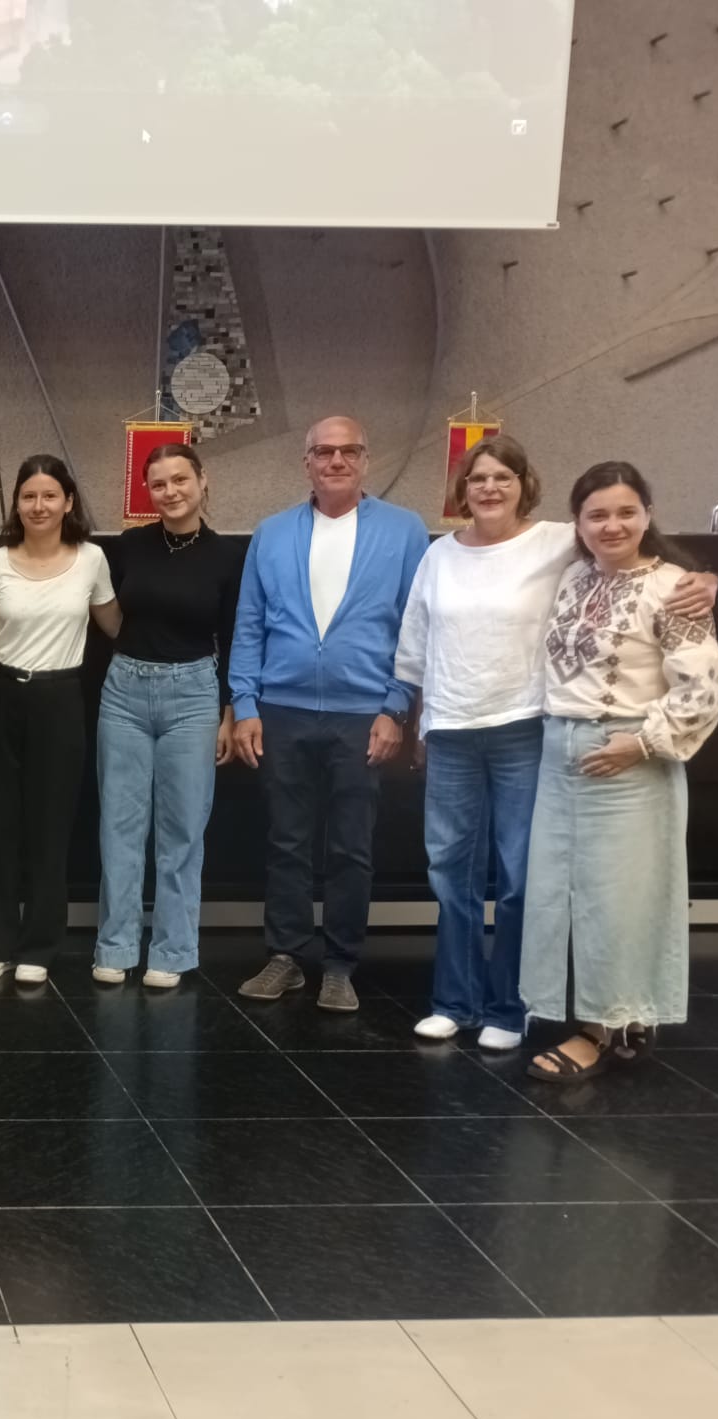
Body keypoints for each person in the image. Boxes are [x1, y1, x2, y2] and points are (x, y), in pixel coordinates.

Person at [396, 438, 718, 1050]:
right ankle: (454, 1002)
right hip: (455, 729)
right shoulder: (442, 555)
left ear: (525, 485)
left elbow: (642, 557)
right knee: (450, 872)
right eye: (478, 478)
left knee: (523, 877)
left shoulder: (555, 543)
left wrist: (707, 579)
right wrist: (420, 724)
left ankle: (508, 1008)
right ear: (462, 489)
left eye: (503, 476)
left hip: (525, 729)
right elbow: (418, 645)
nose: (490, 488)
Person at [521, 462, 718, 1082]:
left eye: (626, 512)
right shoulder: (573, 575)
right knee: (561, 893)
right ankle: (619, 1012)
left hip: (626, 753)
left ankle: (600, 1030)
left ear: (648, 515)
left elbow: (703, 689)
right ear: (577, 523)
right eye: (598, 515)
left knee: (620, 898)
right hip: (559, 749)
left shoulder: (673, 589)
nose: (612, 526)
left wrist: (641, 743)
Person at [228, 416, 428, 1013]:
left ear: (365, 460)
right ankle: (286, 957)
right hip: (282, 710)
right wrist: (245, 704)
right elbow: (249, 624)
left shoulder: (404, 531)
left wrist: (396, 708)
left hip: (363, 713)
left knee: (350, 846)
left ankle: (340, 964)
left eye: (349, 451)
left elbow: (415, 627)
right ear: (307, 462)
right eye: (324, 452)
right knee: (286, 841)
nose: (336, 461)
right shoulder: (272, 533)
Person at [0, 455, 118, 983]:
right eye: (29, 496)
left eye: (50, 496)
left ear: (68, 502)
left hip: (61, 699)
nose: (39, 506)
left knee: (51, 826)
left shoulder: (91, 559)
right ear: (16, 504)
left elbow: (115, 625)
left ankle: (39, 947)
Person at [93, 443, 242, 988]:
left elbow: (235, 636)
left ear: (202, 481)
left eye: (180, 480)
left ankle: (173, 951)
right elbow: (109, 614)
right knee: (119, 826)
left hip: (194, 695)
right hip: (124, 692)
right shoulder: (129, 546)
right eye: (158, 484)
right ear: (147, 492)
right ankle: (115, 946)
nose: (170, 492)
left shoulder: (227, 557)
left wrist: (229, 712)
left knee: (182, 829)